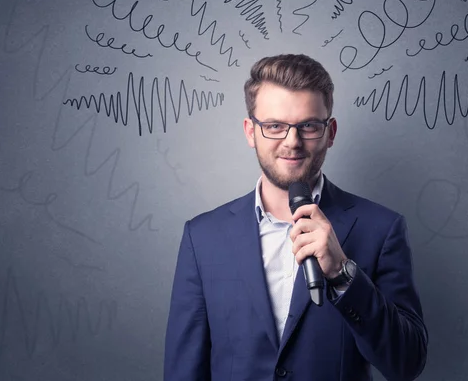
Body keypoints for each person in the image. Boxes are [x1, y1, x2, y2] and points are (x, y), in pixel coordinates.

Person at [164, 54, 428, 381]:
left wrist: (342, 274)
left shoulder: (382, 229)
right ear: (251, 132)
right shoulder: (202, 237)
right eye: (274, 126)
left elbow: (407, 363)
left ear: (330, 132)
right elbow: (183, 371)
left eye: (308, 126)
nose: (292, 142)